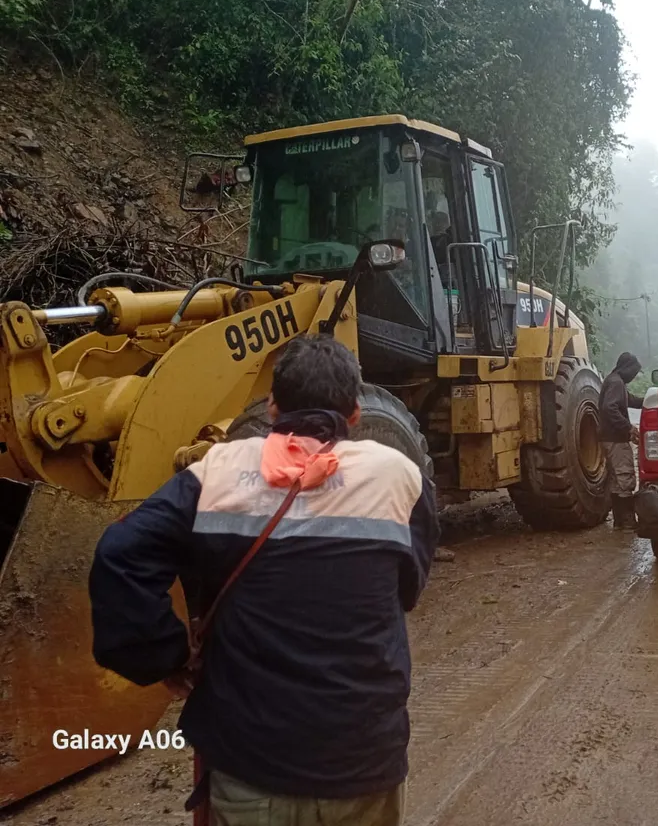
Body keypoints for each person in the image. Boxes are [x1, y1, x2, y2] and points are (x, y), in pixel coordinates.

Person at [88, 334, 439, 826]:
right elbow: (408, 587)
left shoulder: (216, 474)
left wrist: (163, 655)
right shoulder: (400, 475)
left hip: (249, 767)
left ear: (272, 406)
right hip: (364, 762)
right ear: (356, 413)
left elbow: (119, 554)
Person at [598, 351, 644, 530]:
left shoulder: (614, 381)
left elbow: (629, 400)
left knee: (617, 480)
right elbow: (610, 408)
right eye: (633, 371)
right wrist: (628, 428)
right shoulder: (617, 383)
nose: (633, 376)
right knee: (625, 478)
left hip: (608, 438)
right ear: (627, 368)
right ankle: (628, 522)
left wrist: (649, 399)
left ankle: (619, 522)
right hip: (615, 439)